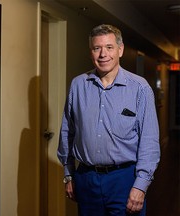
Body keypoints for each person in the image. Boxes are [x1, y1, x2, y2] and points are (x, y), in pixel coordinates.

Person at [57, 24, 160, 216]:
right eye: (97, 48)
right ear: (91, 52)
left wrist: (141, 186)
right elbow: (67, 131)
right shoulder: (78, 85)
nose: (103, 54)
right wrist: (68, 173)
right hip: (86, 179)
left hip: (125, 180)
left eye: (109, 47)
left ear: (120, 50)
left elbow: (149, 141)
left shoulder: (140, 88)